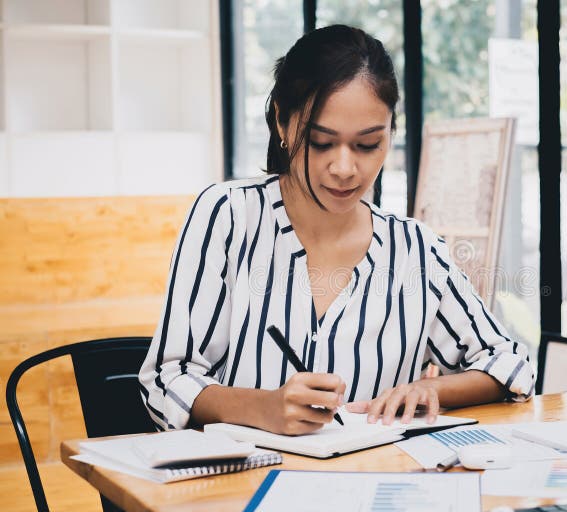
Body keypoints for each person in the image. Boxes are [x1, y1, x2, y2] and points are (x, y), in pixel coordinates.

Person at [139, 25, 534, 436]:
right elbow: (168, 379)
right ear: (282, 122)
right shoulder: (228, 217)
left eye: (367, 145)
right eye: (321, 143)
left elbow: (509, 362)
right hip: (243, 488)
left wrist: (430, 389)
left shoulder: (415, 249)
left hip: (375, 486)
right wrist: (265, 408)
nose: (345, 168)